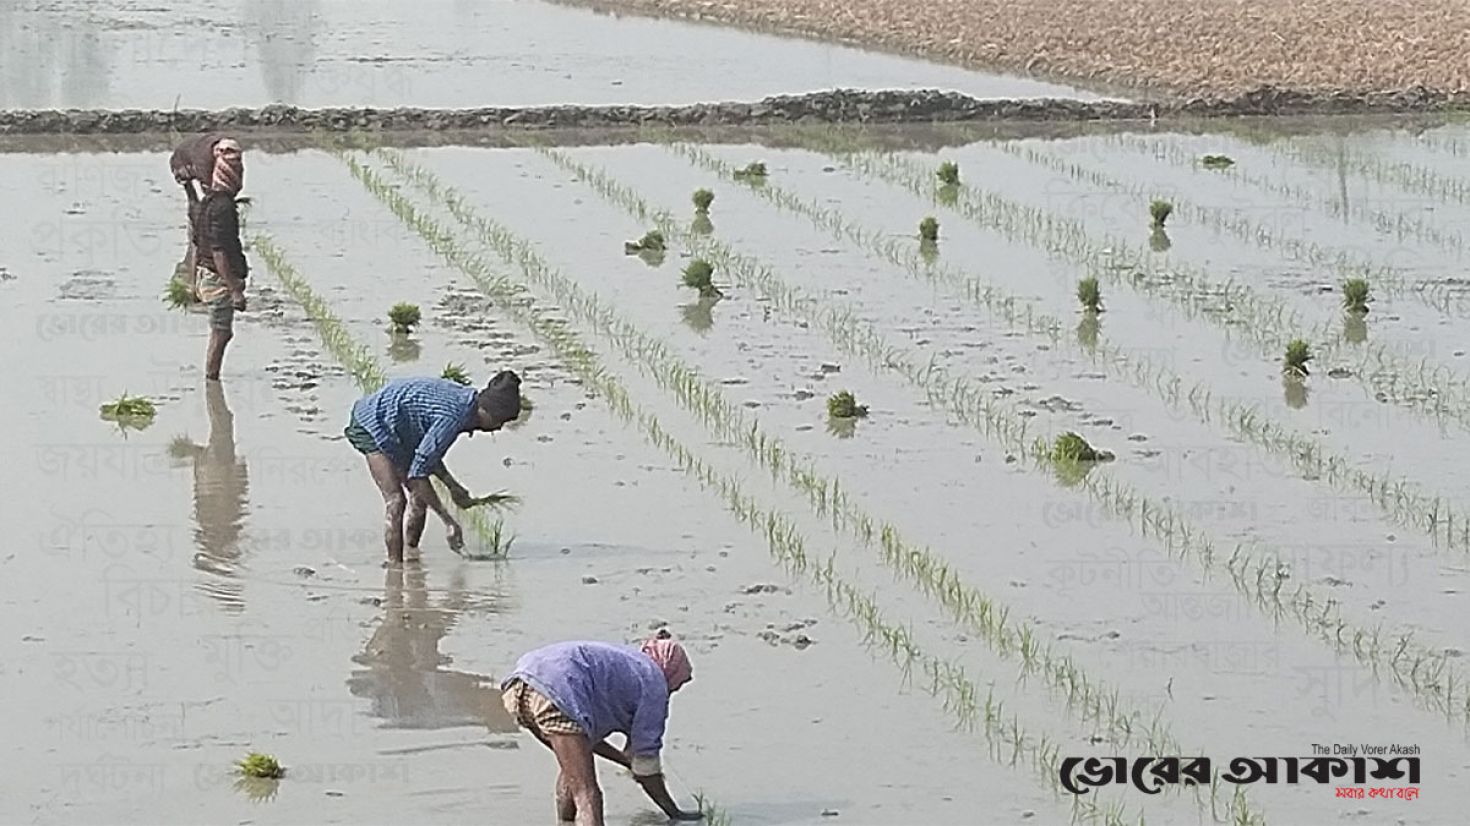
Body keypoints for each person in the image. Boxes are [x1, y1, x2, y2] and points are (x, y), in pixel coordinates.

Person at [501, 636, 704, 825]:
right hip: (559, 687)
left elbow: (588, 743)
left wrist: (625, 760)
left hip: (521, 685)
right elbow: (646, 768)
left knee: (572, 772)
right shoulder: (655, 683)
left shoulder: (628, 667)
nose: (673, 692)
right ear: (671, 673)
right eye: (677, 685)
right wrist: (674, 813)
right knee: (587, 792)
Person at [344, 371, 522, 563]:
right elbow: (418, 474)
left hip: (402, 429)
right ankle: (395, 569)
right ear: (487, 411)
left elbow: (428, 454)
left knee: (419, 498)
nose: (498, 428)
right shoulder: (454, 416)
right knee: (396, 501)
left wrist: (452, 486)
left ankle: (412, 556)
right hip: (371, 423)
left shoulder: (467, 404)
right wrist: (449, 522)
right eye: (499, 421)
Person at [182, 136, 249, 381]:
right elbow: (219, 251)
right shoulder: (223, 207)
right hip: (218, 279)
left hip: (206, 275)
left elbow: (198, 246)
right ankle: (211, 381)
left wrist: (192, 283)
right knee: (221, 333)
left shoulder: (207, 202)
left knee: (220, 331)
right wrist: (235, 290)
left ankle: (211, 381)